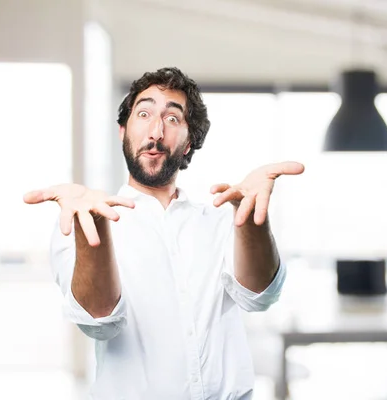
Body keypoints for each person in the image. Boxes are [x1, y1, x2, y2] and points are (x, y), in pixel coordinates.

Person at [24, 67, 304, 399]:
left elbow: (260, 296)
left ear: (188, 144)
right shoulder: (81, 221)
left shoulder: (218, 221)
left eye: (172, 119)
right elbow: (99, 320)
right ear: (123, 131)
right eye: (143, 113)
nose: (156, 131)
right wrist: (97, 231)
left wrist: (253, 219)